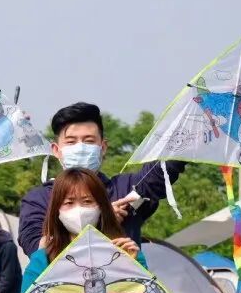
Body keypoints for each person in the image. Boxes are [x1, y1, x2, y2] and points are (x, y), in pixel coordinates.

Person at [19, 102, 186, 256]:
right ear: (56, 150)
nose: (80, 147)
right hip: (65, 280)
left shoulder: (125, 188)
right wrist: (101, 220)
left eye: (89, 141)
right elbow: (34, 247)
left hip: (124, 278)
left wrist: (191, 124)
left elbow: (162, 169)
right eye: (71, 142)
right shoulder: (39, 199)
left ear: (103, 147)